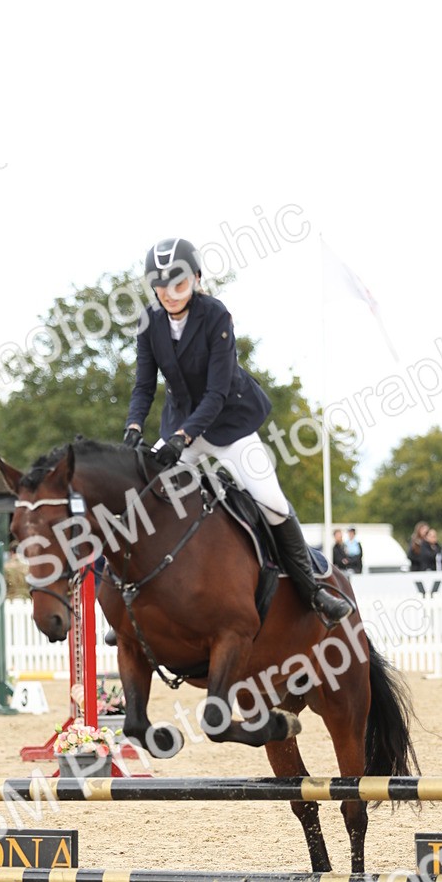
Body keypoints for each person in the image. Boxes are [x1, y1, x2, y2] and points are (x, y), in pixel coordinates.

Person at [123, 237, 351, 625]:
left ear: (195, 279)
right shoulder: (150, 322)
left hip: (230, 427)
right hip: (181, 428)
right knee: (142, 502)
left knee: (271, 501)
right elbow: (144, 385)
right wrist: (132, 426)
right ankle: (136, 601)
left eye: (178, 284)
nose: (169, 293)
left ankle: (313, 591)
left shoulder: (215, 315)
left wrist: (183, 438)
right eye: (160, 286)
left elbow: (217, 392)